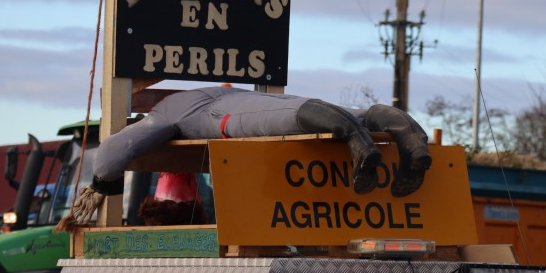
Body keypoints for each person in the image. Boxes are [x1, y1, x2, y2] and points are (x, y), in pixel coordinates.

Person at [54, 86, 431, 232]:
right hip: (243, 97)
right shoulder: (208, 89)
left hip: (218, 114)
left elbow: (115, 150)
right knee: (323, 109)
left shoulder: (164, 113)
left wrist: (101, 185)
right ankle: (404, 133)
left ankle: (359, 143)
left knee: (276, 120)